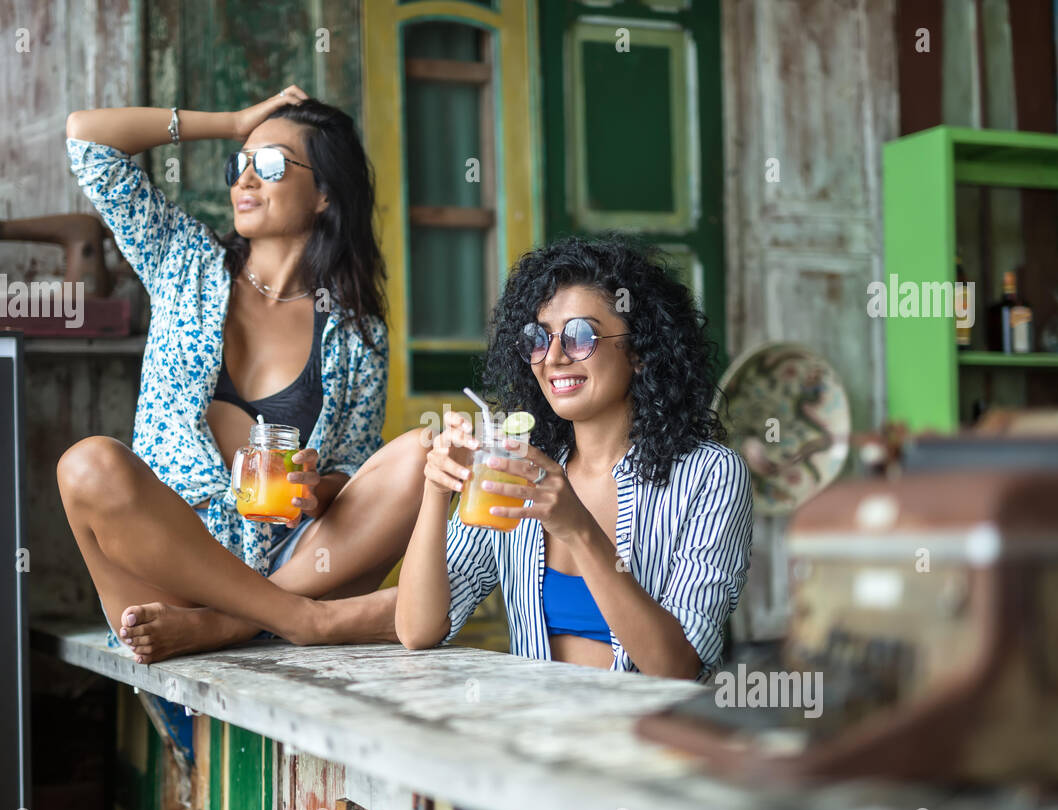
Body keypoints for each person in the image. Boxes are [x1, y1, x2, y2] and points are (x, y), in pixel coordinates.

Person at [58, 88, 430, 669]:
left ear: (325, 193)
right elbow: (87, 137)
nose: (245, 180)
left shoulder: (357, 332)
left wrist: (317, 490)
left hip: (289, 561)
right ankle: (303, 622)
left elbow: (355, 469)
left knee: (422, 456)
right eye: (241, 165)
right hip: (173, 570)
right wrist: (232, 122)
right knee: (86, 466)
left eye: (274, 165)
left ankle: (227, 626)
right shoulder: (182, 263)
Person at [396, 234, 753, 680]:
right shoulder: (516, 468)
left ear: (640, 350)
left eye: (581, 335)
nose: (555, 357)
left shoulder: (710, 474)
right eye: (537, 339)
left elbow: (676, 667)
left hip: (647, 739)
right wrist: (436, 490)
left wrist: (578, 528)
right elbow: (418, 629)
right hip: (537, 734)